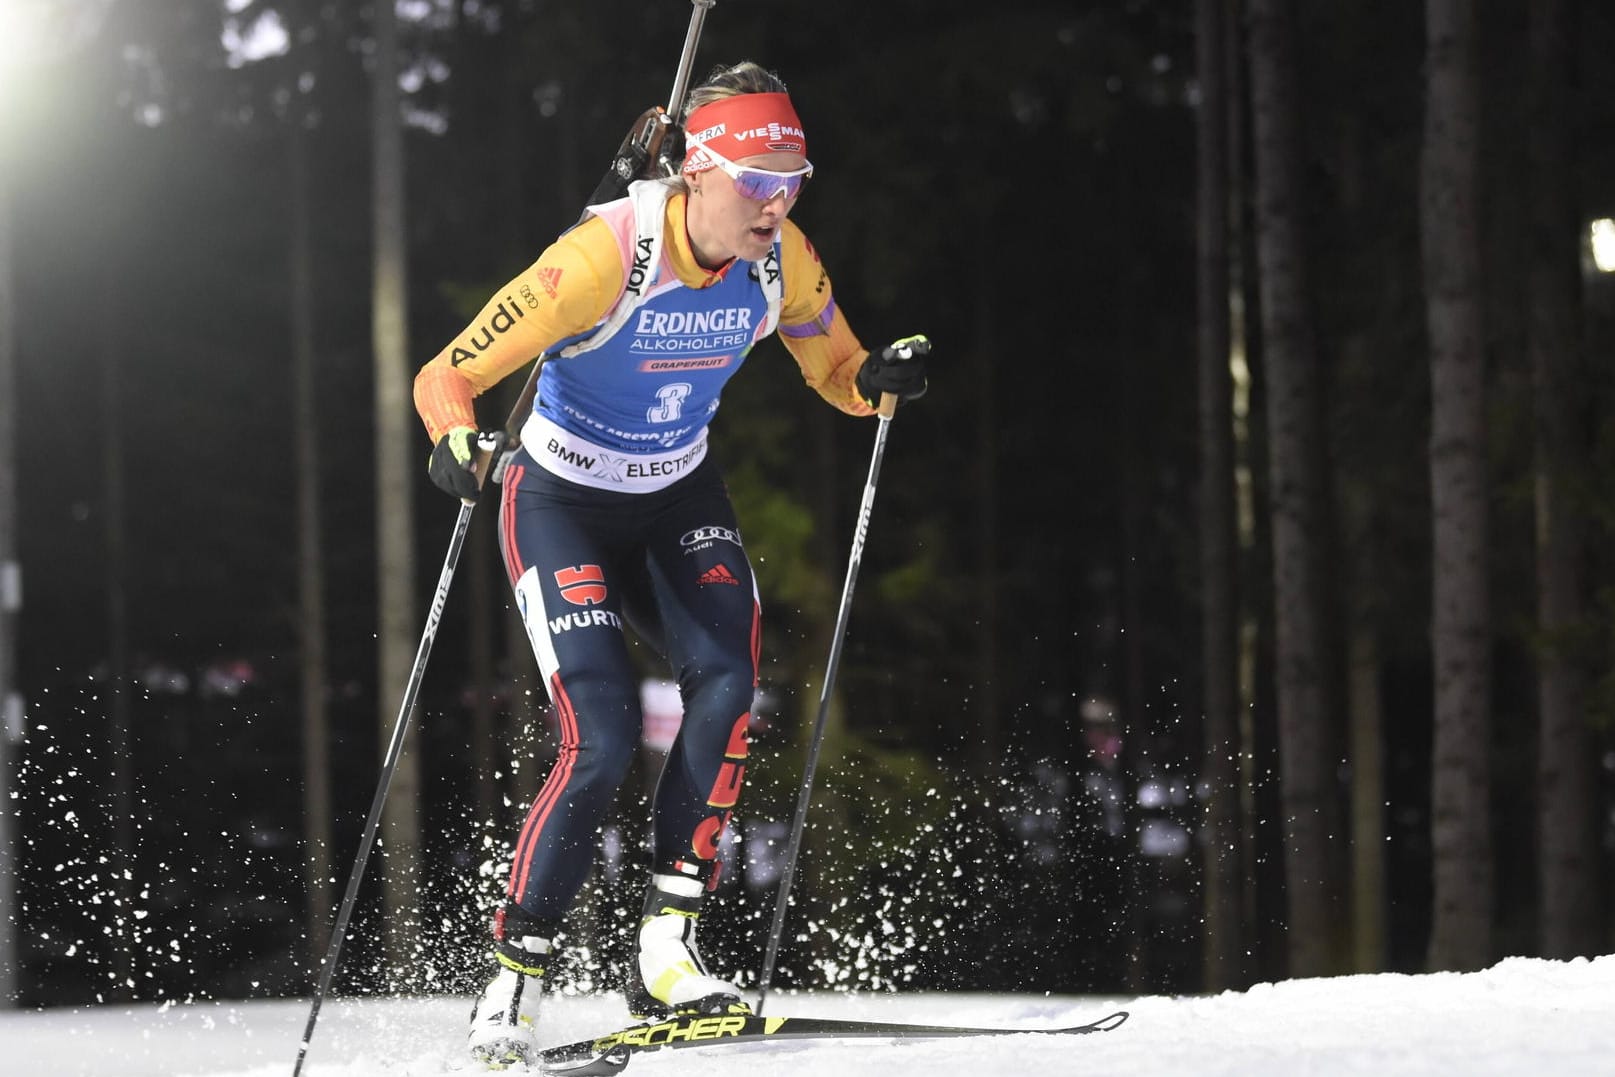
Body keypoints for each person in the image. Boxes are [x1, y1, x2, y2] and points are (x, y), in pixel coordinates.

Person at [411, 60, 931, 1069]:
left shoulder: (782, 263)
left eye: (792, 185)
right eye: (756, 182)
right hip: (559, 499)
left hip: (673, 496)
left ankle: (664, 948)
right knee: (599, 733)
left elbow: (836, 369)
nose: (775, 207)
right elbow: (451, 372)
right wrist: (457, 440)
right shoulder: (604, 258)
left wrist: (878, 381)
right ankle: (515, 979)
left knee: (729, 680)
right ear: (697, 170)